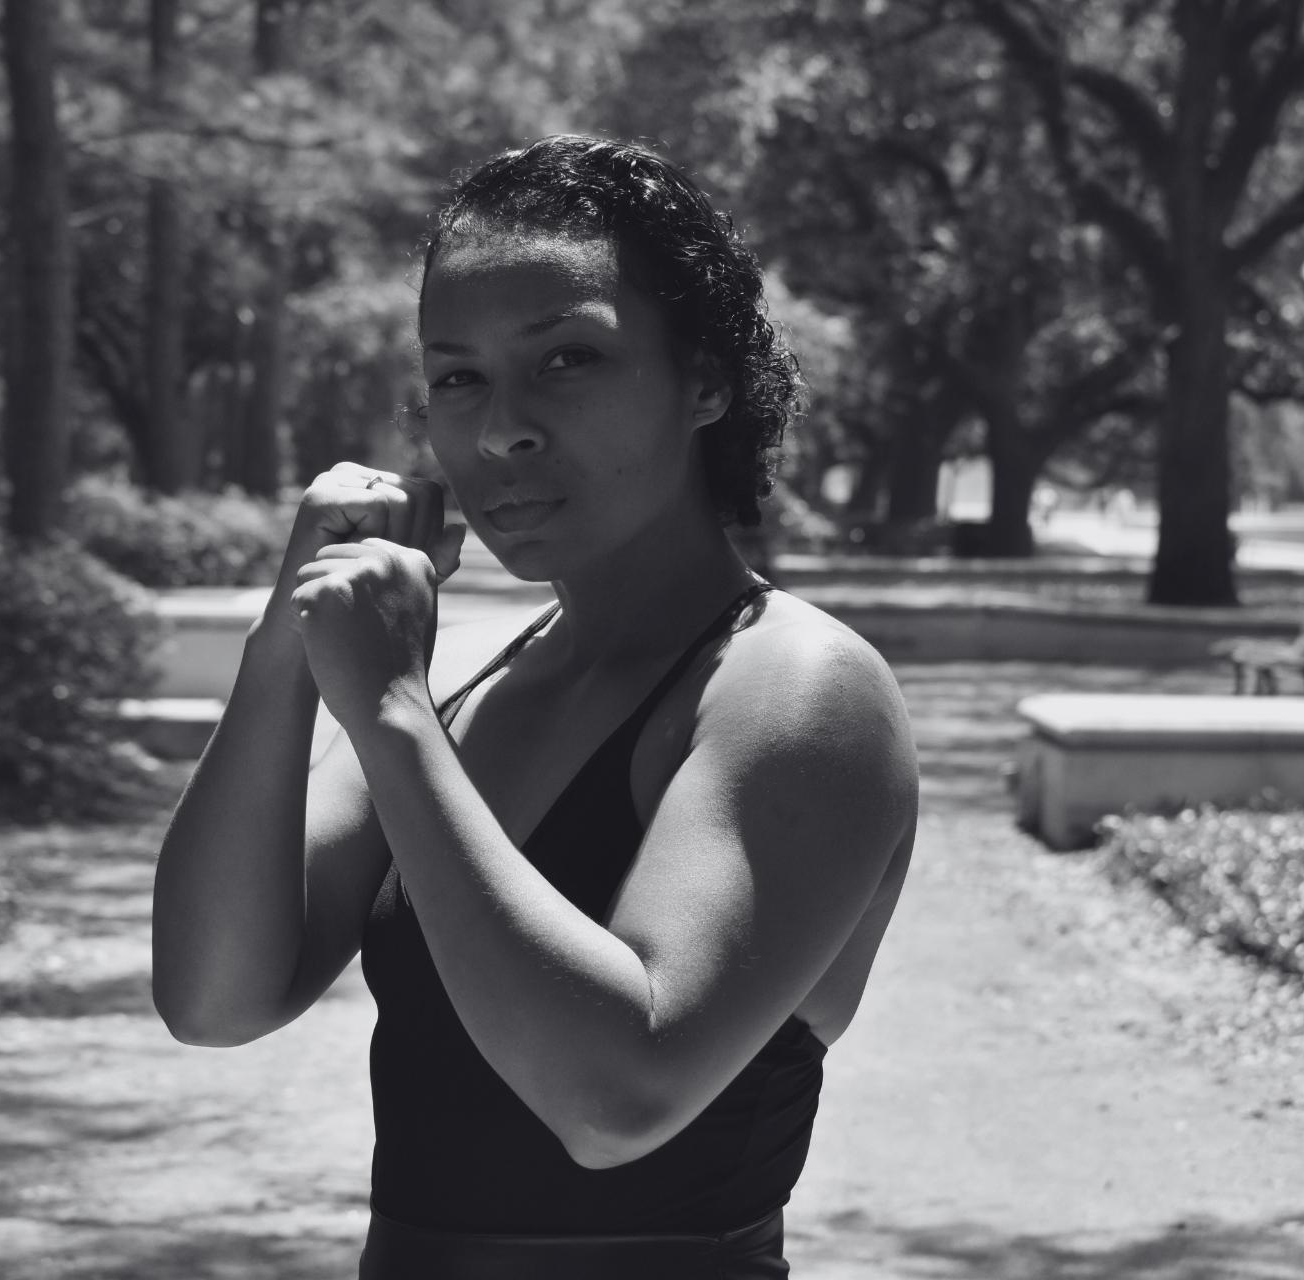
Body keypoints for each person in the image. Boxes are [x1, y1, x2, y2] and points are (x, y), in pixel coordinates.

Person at [152, 135, 919, 1278]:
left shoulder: (799, 688)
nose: (499, 428)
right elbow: (213, 996)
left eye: (567, 358)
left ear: (706, 380)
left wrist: (393, 711)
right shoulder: (469, 684)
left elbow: (617, 1097)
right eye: (457, 377)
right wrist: (286, 646)